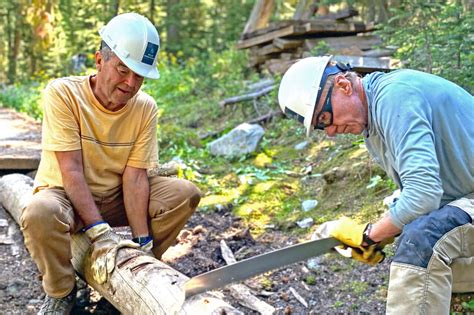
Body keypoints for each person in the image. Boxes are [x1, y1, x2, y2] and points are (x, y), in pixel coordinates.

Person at [21, 13, 201, 314]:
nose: (131, 83)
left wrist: (142, 242)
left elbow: (135, 178)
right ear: (99, 60)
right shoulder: (63, 93)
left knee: (184, 194)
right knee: (39, 212)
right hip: (65, 194)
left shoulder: (144, 108)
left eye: (139, 75)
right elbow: (71, 171)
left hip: (113, 197)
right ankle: (62, 292)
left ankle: (129, 280)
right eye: (123, 69)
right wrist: (100, 234)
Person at [278, 55, 473, 314]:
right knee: (418, 261)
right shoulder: (374, 128)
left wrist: (369, 234)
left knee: (421, 244)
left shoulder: (395, 97)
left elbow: (423, 194)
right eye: (320, 128)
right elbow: (431, 195)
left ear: (342, 85)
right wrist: (386, 232)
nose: (331, 132)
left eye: (325, 117)